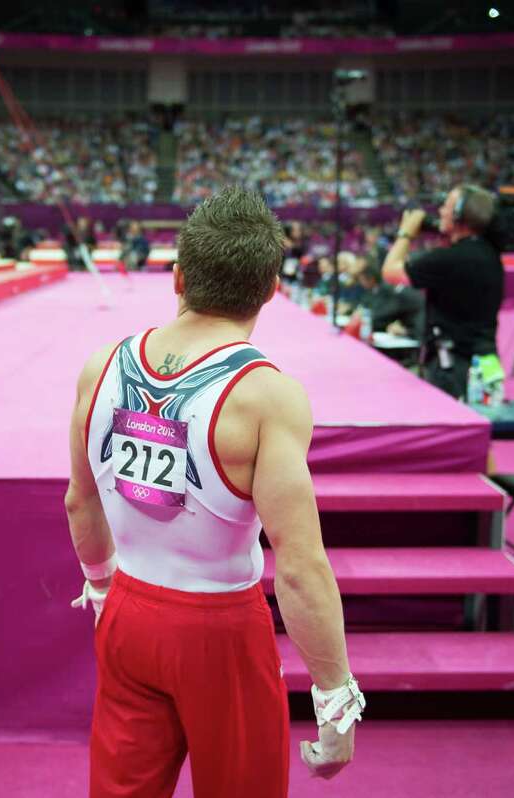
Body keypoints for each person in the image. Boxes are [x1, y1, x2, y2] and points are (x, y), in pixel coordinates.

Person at [65, 187, 363, 797]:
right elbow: (300, 566)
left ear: (177, 277)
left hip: (126, 614)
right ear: (271, 290)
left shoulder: (102, 367)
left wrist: (100, 587)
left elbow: (80, 500)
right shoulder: (266, 397)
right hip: (219, 629)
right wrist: (336, 699)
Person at [382, 184, 504, 400]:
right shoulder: (490, 254)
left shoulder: (448, 259)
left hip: (452, 367)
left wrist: (406, 233)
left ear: (459, 215)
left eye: (446, 206)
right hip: (486, 363)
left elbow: (390, 272)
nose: (440, 211)